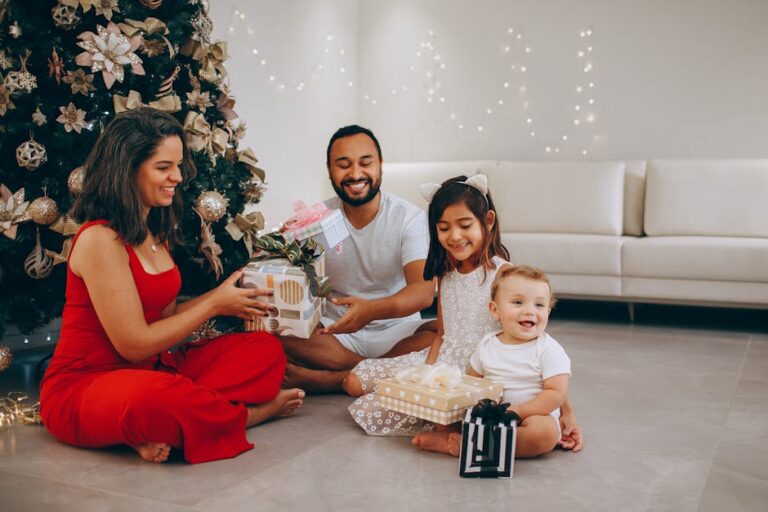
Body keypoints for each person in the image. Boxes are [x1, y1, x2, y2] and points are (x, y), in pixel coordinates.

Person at [39, 108, 304, 464]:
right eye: (164, 167)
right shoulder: (99, 239)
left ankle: (146, 428)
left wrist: (221, 296)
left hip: (155, 370)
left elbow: (166, 318)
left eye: (178, 166)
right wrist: (212, 306)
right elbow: (134, 345)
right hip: (86, 384)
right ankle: (247, 416)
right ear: (127, 169)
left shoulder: (153, 232)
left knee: (263, 351)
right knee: (162, 400)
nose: (177, 177)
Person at [346, 175, 582, 452]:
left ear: (488, 221)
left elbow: (537, 345)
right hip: (443, 361)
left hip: (476, 373)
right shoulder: (445, 275)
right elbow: (442, 333)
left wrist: (567, 411)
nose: (455, 236)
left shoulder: (503, 273)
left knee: (387, 406)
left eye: (465, 225)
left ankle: (458, 438)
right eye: (444, 228)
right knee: (354, 381)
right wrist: (427, 373)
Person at [281, 125, 437, 393]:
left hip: (394, 332)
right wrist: (282, 248)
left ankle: (332, 380)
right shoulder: (316, 220)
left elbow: (423, 292)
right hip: (334, 334)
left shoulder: (407, 218)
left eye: (365, 163)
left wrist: (372, 311)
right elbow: (289, 285)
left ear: (380, 166)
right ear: (330, 170)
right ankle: (371, 372)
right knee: (279, 332)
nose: (355, 174)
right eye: (343, 165)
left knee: (442, 335)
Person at [413, 264, 572, 458]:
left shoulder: (548, 349)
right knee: (450, 414)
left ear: (547, 312)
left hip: (534, 415)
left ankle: (470, 446)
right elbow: (471, 382)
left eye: (539, 305)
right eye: (518, 302)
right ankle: (454, 435)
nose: (530, 311)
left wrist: (521, 411)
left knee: (544, 434)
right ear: (494, 310)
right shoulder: (487, 344)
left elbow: (556, 393)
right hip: (490, 415)